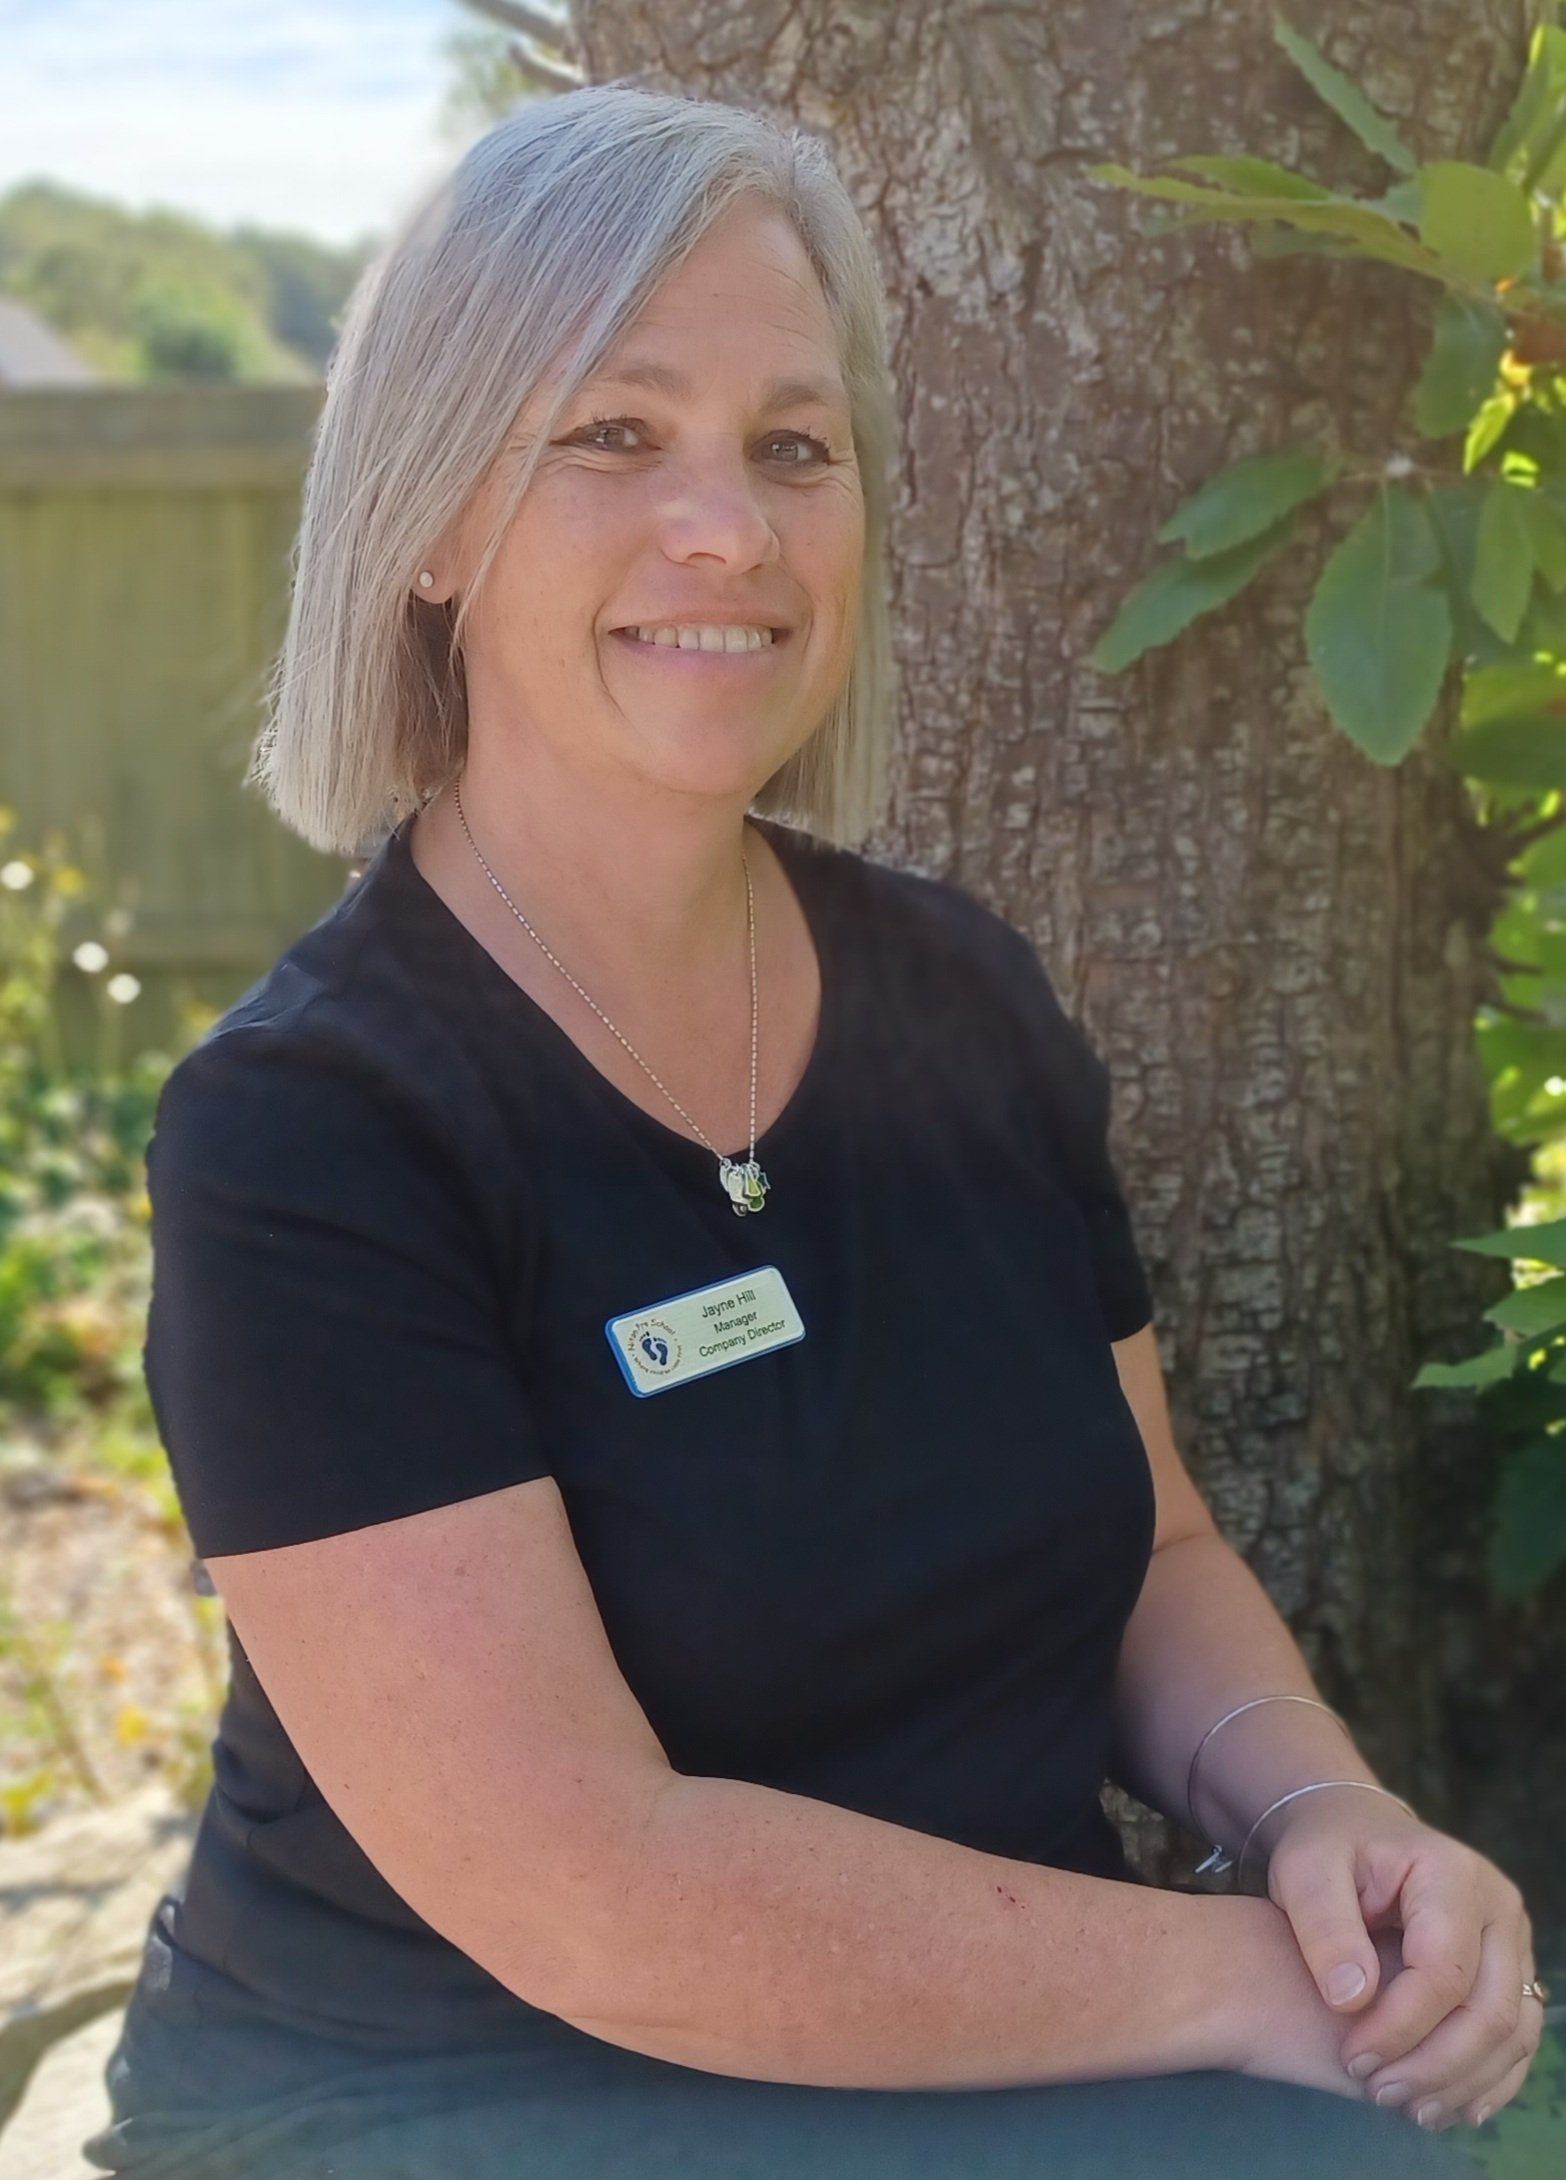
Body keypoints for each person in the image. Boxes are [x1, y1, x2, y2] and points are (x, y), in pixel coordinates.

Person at [83, 81, 1514, 2180]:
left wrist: (1323, 1823)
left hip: (991, 2046)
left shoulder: (962, 997)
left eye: (793, 447)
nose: (732, 530)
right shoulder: (312, 1136)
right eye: (614, 433)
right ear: (433, 522)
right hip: (439, 2099)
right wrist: (1242, 1985)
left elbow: (1157, 1557)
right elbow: (597, 1893)